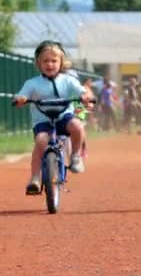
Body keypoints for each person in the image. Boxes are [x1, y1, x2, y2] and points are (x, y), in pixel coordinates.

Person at [12, 40, 93, 194]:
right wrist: (20, 99)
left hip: (64, 117)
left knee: (77, 126)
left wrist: (85, 96)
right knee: (41, 140)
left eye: (54, 61)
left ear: (61, 62)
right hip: (43, 121)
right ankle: (35, 178)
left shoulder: (68, 80)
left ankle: (75, 156)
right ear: (38, 63)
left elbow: (83, 91)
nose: (50, 64)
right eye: (45, 61)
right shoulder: (32, 83)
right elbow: (21, 94)